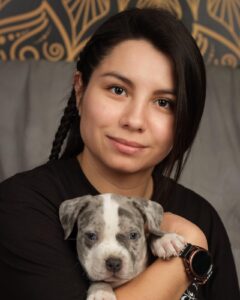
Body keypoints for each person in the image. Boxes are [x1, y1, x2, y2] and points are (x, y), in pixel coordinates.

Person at [0, 7, 239, 300]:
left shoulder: (202, 216)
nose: (135, 120)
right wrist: (188, 249)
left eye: (163, 102)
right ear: (80, 89)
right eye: (118, 89)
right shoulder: (21, 206)